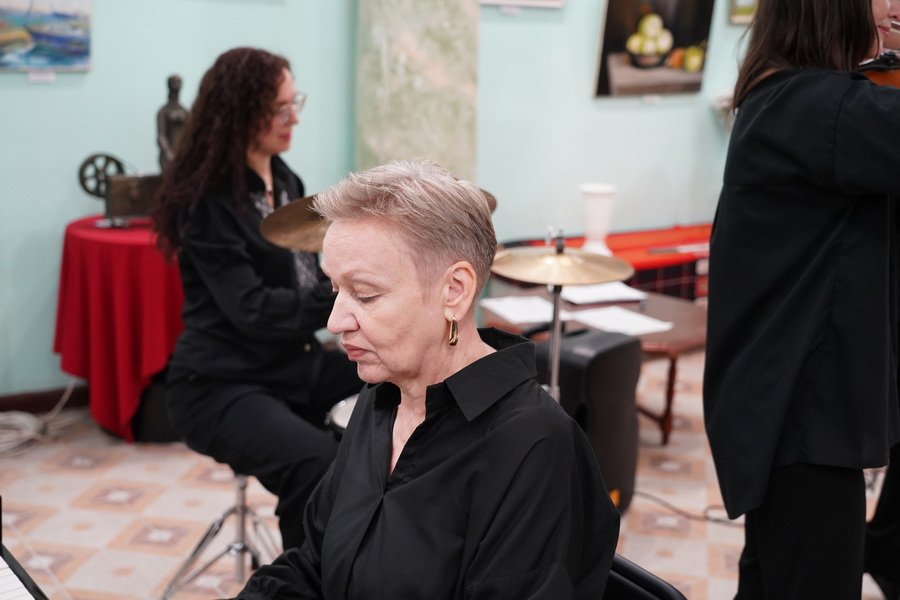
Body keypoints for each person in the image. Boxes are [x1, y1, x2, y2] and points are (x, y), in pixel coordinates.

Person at [235, 159, 620, 599]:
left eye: (365, 294)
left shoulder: (534, 446)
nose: (335, 321)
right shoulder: (379, 402)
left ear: (454, 291)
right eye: (336, 290)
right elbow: (312, 565)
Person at [703, 0, 900, 597]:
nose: (894, 7)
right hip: (800, 411)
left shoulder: (785, 98)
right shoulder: (814, 107)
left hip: (781, 402)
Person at [152, 47, 362, 551]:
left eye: (295, 104)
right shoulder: (205, 202)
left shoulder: (285, 180)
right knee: (316, 464)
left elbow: (304, 281)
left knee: (405, 374)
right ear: (239, 112)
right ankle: (306, 578)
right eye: (278, 109)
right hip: (221, 381)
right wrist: (339, 293)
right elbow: (255, 310)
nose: (293, 119)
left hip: (293, 362)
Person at [156, 74, 189, 172]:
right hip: (169, 157)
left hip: (183, 156)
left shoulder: (185, 111)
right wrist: (168, 153)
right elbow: (161, 136)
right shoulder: (163, 112)